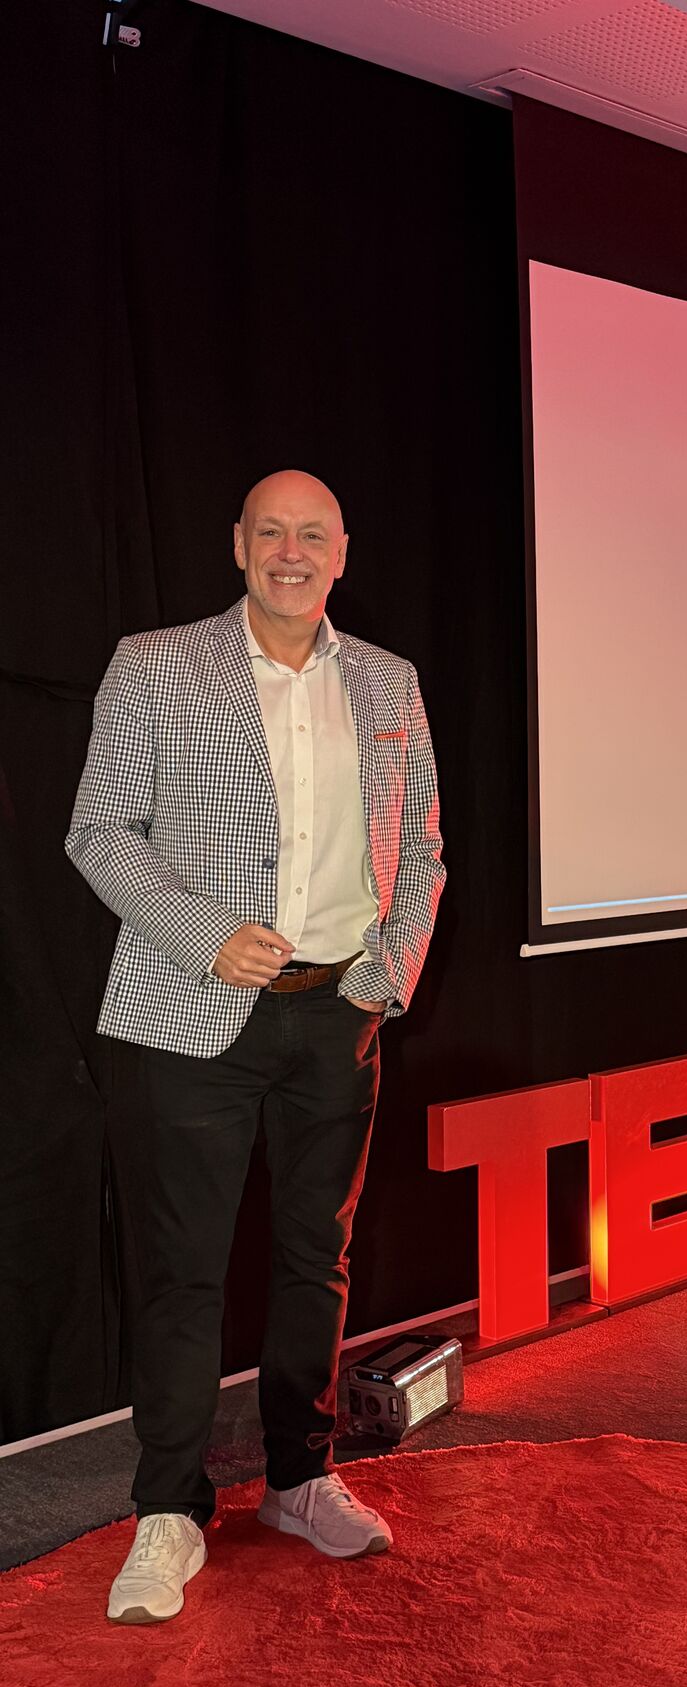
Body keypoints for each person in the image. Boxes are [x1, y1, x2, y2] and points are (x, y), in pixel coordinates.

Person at [65, 469, 446, 1625]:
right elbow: (99, 831)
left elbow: (422, 851)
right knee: (180, 1275)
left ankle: (298, 1477)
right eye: (270, 531)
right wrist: (206, 933)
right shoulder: (155, 664)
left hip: (338, 1018)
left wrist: (383, 980)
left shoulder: (388, 681)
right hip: (189, 1017)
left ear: (342, 553)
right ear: (238, 545)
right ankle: (170, 1512)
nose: (291, 551)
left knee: (311, 1265)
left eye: (312, 535)